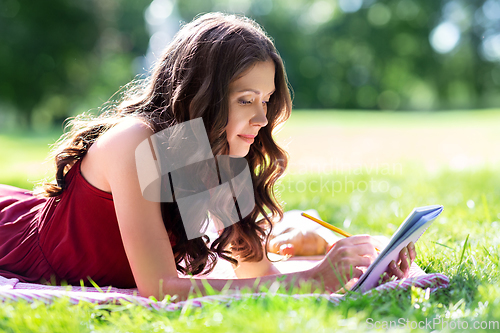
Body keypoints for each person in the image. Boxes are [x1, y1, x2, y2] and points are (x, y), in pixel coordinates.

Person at [0, 13, 415, 301]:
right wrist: (312, 278)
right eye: (246, 99)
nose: (261, 117)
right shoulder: (138, 143)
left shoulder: (215, 148)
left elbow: (254, 273)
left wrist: (363, 263)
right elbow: (160, 288)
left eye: (267, 100)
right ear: (203, 95)